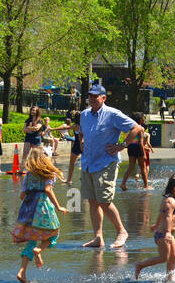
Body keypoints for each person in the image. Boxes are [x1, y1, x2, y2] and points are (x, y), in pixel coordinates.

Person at [77, 84, 145, 248]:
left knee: (104, 201)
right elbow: (81, 131)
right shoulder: (85, 114)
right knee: (93, 201)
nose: (92, 99)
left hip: (105, 162)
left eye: (96, 96)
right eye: (90, 96)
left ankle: (122, 231)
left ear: (103, 98)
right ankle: (98, 237)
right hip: (88, 163)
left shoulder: (112, 114)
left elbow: (137, 128)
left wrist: (123, 145)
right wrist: (81, 142)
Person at [12, 150, 67, 283]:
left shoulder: (29, 175)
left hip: (28, 209)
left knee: (32, 239)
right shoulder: (48, 173)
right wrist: (59, 206)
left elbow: (22, 195)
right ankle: (39, 250)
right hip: (42, 208)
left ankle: (22, 272)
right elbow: (48, 190)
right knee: (54, 233)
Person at [135, 173, 175, 280]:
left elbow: (161, 213)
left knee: (174, 255)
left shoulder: (170, 199)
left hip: (167, 233)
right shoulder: (170, 201)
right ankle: (140, 265)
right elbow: (168, 216)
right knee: (164, 257)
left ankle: (170, 276)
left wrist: (156, 224)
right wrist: (167, 232)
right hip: (163, 234)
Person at [119, 111, 150, 190]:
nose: (144, 119)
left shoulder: (132, 128)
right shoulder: (140, 128)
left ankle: (123, 184)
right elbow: (140, 142)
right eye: (143, 118)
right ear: (140, 120)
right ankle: (146, 185)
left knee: (131, 167)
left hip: (131, 147)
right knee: (143, 167)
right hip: (137, 147)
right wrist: (144, 154)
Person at [58, 108, 83, 186]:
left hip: (79, 145)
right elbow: (65, 128)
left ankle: (70, 180)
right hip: (81, 145)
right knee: (81, 163)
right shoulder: (78, 125)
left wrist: (53, 129)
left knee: (72, 163)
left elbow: (65, 128)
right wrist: (53, 129)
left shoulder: (78, 125)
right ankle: (71, 179)